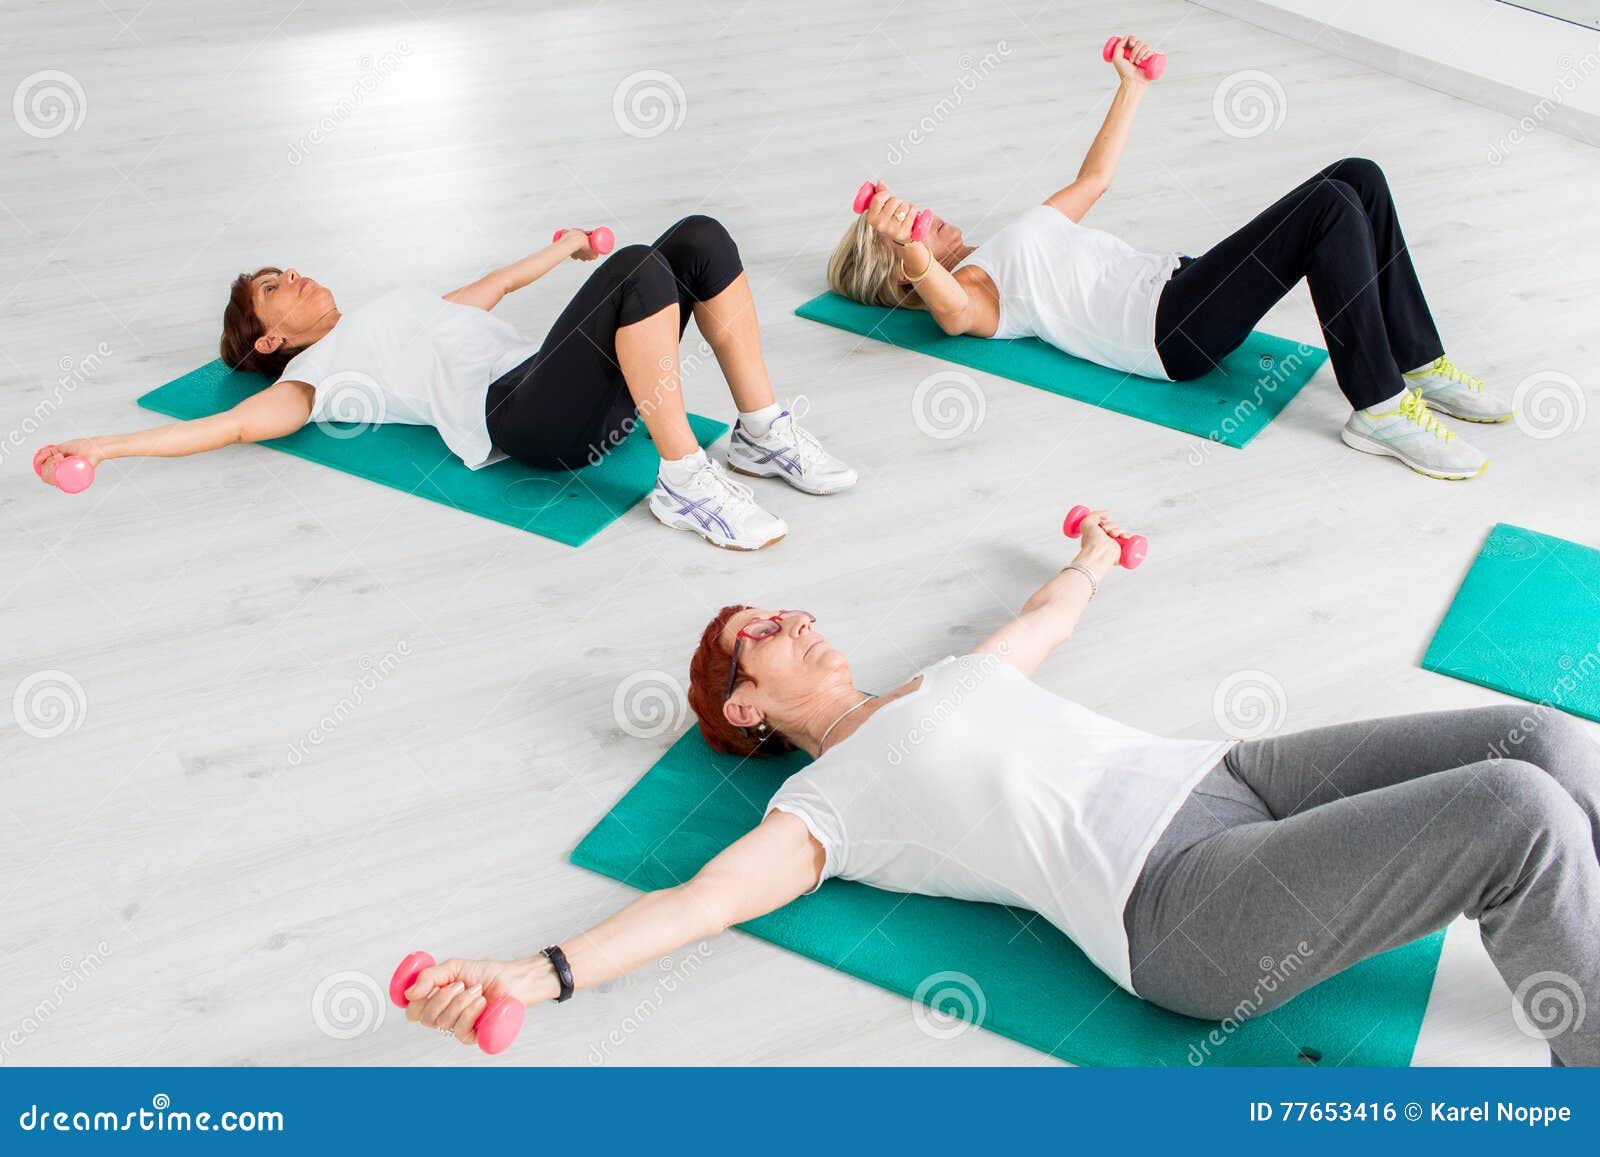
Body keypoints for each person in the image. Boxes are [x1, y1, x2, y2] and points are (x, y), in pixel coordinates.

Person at [395, 511, 1598, 1066]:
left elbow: (1042, 620)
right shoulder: (820, 808)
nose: (797, 620)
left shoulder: (946, 675)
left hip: (1228, 776)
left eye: (795, 608)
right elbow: (700, 900)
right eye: (763, 628)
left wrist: (1085, 558)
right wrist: (535, 972)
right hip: (1171, 899)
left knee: (1538, 738)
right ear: (743, 707)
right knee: (1516, 814)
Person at [827, 36, 1512, 481]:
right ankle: (1379, 406)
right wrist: (915, 256)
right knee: (1330, 208)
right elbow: (948, 315)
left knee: (1356, 175)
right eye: (912, 226)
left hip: (1181, 282)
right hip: (1170, 333)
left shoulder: (1004, 239)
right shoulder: (976, 290)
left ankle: (1417, 359)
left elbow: (1093, 182)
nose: (928, 216)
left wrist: (1130, 88)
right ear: (898, 272)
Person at [34, 215, 855, 549]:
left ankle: (760, 430)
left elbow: (492, 287)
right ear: (273, 337)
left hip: (559, 384)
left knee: (696, 238)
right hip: (527, 423)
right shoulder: (321, 375)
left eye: (284, 270)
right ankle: (683, 479)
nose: (294, 275)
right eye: (273, 289)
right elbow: (232, 427)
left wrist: (561, 248)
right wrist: (104, 446)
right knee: (638, 268)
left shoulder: (396, 310)